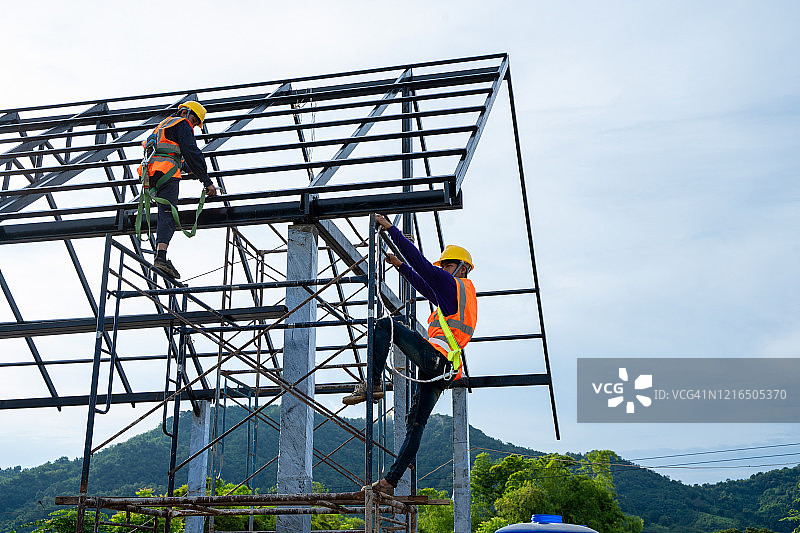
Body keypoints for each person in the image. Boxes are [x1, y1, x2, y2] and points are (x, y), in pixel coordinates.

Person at [342, 213, 478, 496]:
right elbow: (426, 285)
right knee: (416, 425)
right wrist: (401, 267)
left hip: (436, 360)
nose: (444, 269)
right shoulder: (460, 294)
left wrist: (392, 230)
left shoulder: (453, 285)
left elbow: (425, 268)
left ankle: (374, 383)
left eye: (448, 265)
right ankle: (390, 483)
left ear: (462, 268)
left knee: (386, 325)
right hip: (444, 369)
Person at [137, 101, 218, 279]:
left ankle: (160, 255)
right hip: (167, 172)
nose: (194, 126)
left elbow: (168, 150)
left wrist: (188, 167)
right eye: (195, 122)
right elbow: (192, 152)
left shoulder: (164, 124)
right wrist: (207, 181)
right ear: (187, 114)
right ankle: (161, 257)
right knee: (169, 216)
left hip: (152, 173)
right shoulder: (183, 124)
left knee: (163, 214)